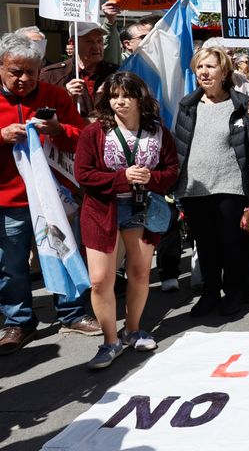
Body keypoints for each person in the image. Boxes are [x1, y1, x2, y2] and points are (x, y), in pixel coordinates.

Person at [0, 33, 101, 355]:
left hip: (54, 197)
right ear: (1, 67)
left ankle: (72, 312)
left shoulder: (55, 95)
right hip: (8, 198)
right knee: (11, 264)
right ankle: (18, 322)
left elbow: (82, 137)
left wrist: (58, 130)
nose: (24, 79)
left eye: (31, 71)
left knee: (63, 251)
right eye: (16, 71)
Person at [74, 72, 179, 369]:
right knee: (99, 280)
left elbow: (172, 170)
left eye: (126, 95)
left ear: (139, 98)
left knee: (141, 272)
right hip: (101, 210)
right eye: (114, 96)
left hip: (141, 209)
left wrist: (152, 177)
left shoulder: (158, 132)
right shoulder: (94, 132)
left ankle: (132, 329)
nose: (119, 101)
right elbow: (84, 174)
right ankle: (110, 341)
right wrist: (122, 177)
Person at [174, 47, 249, 317]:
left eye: (210, 67)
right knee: (204, 245)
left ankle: (234, 292)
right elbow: (180, 143)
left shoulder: (241, 104)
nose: (204, 72)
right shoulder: (187, 105)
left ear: (224, 72)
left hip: (230, 185)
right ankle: (210, 292)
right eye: (200, 67)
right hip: (195, 188)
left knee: (231, 243)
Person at [40, 22, 120, 118]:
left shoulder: (116, 74)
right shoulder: (51, 75)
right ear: (72, 43)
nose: (96, 47)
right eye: (89, 41)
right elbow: (42, 115)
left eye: (99, 41)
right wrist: (66, 97)